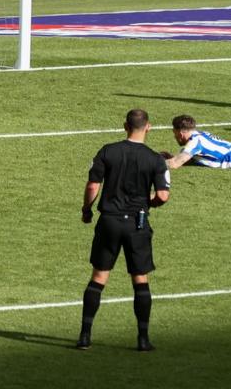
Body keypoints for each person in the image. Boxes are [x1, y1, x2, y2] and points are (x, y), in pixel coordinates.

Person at [78, 109, 170, 352]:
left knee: (98, 277)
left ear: (124, 126)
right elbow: (163, 195)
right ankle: (142, 339)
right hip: (137, 224)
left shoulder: (108, 151)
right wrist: (147, 203)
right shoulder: (155, 159)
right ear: (148, 127)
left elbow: (92, 185)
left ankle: (85, 336)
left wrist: (86, 209)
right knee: (140, 280)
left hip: (109, 220)